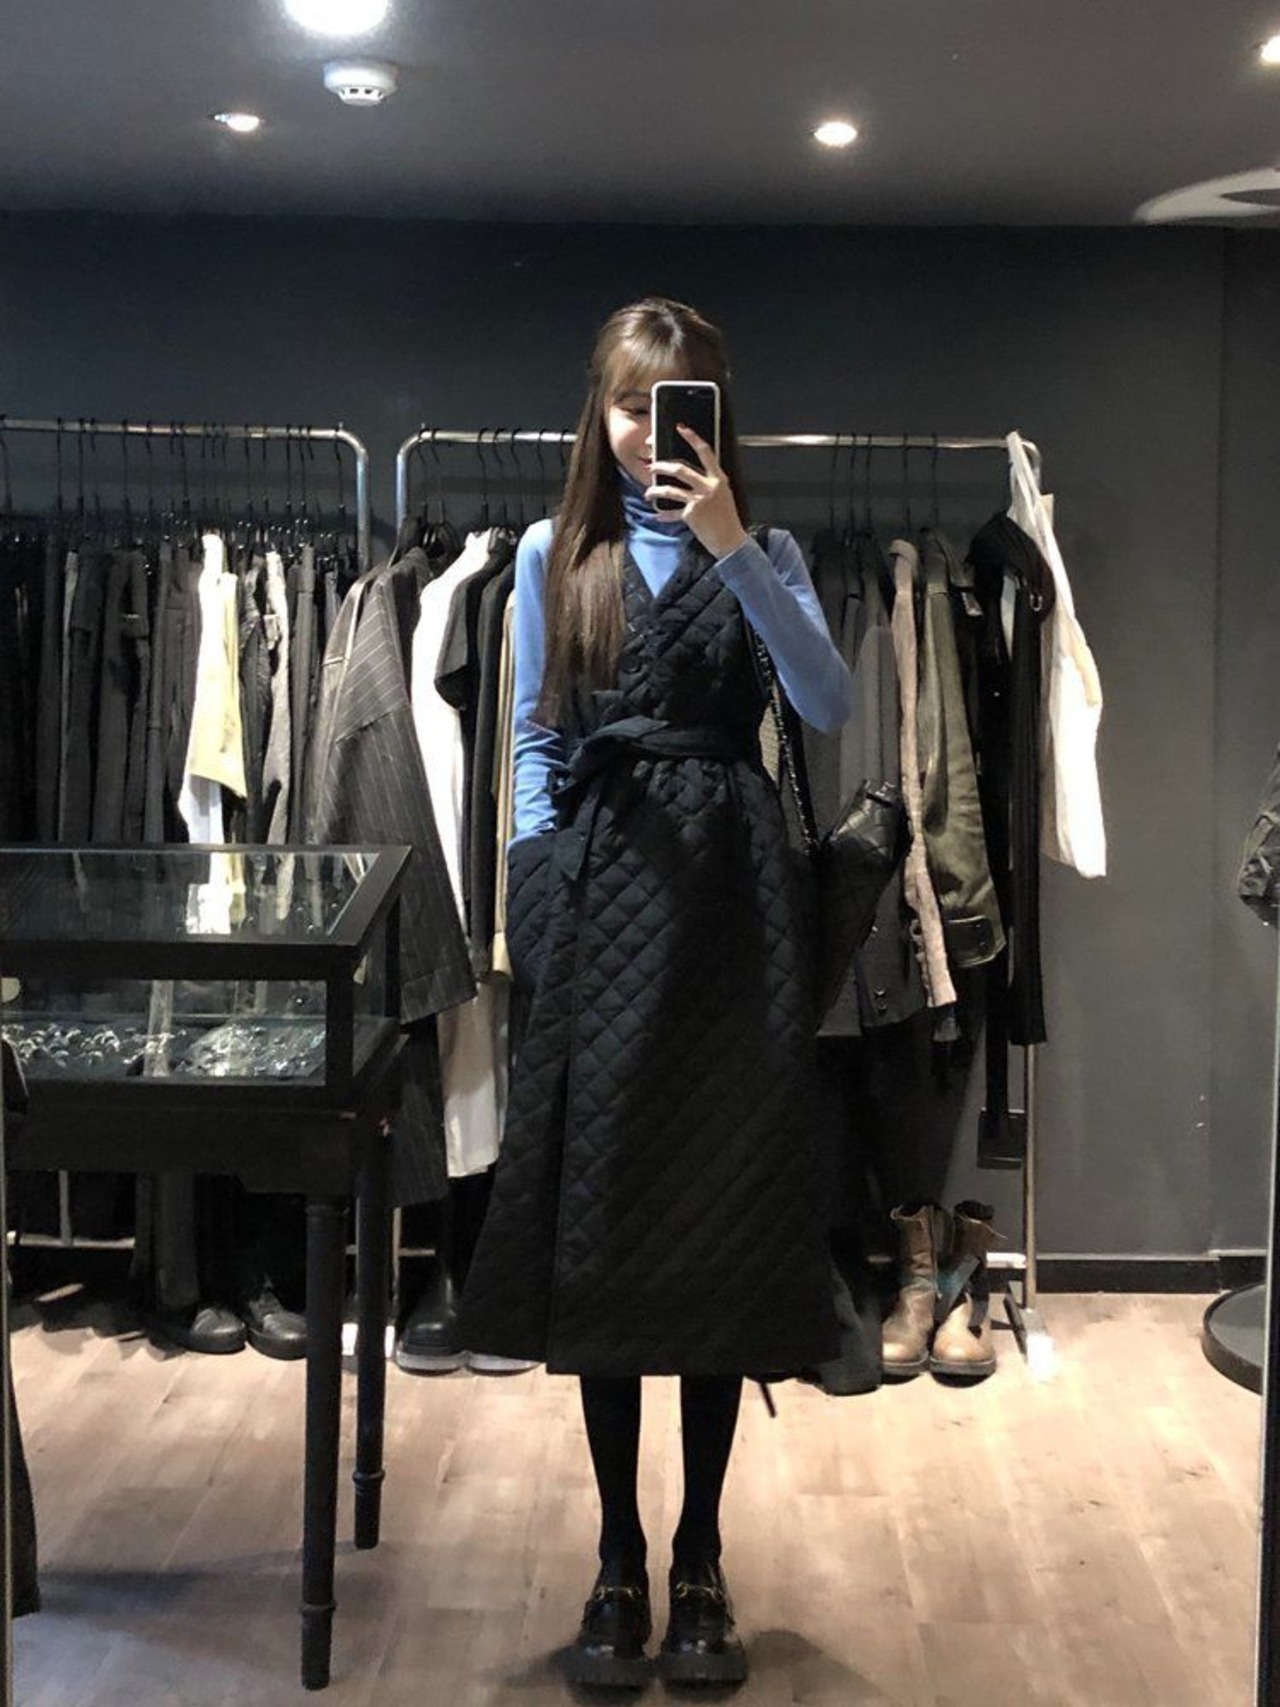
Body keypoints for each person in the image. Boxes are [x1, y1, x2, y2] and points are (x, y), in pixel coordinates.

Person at [457, 297, 854, 1688]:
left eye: (676, 404)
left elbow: (826, 705)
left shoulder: (770, 551)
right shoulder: (551, 555)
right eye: (631, 404)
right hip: (598, 899)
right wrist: (533, 892)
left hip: (735, 916)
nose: (648, 431)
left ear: (716, 415)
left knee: (720, 1233)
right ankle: (618, 1555)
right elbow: (531, 738)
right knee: (611, 1234)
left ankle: (702, 1558)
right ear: (602, 411)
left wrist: (734, 543)